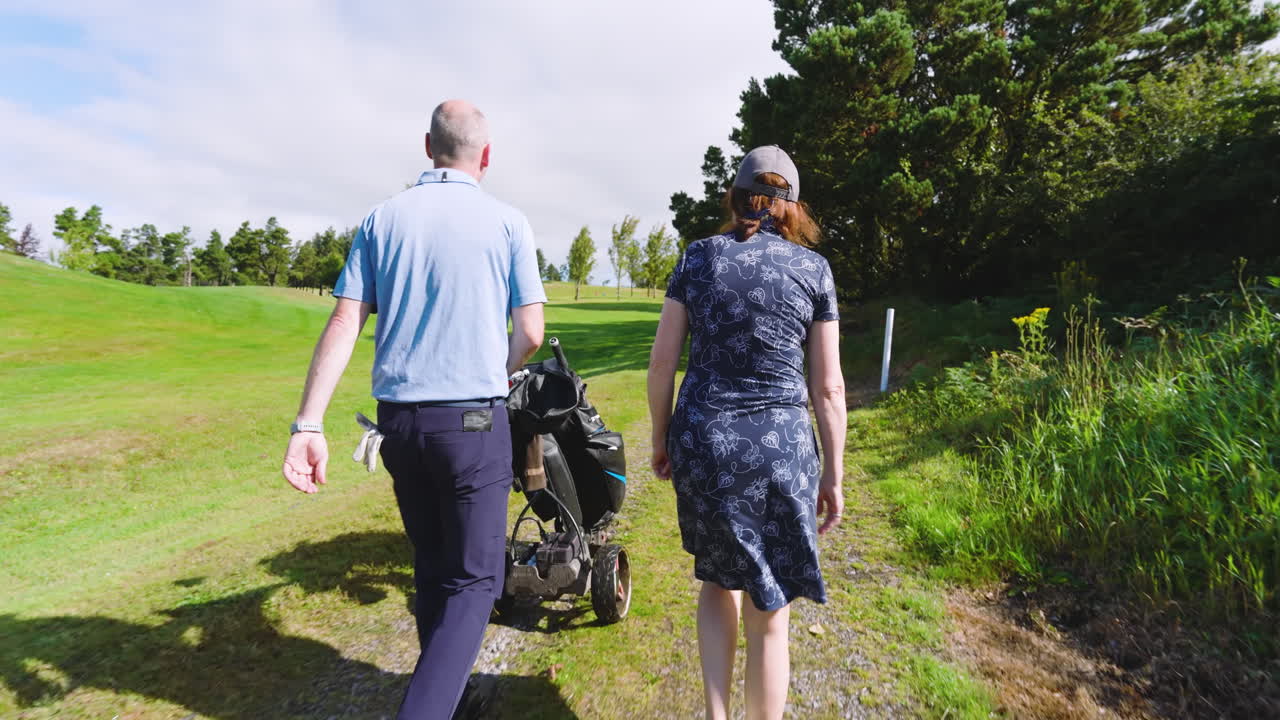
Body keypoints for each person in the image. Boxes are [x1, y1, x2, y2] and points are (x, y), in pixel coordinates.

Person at [280, 99, 546, 720]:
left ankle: (446, 701)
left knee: (433, 568)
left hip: (399, 425)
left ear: (428, 148)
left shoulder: (382, 219)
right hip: (473, 424)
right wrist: (496, 370)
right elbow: (530, 332)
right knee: (477, 580)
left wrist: (307, 425)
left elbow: (346, 319)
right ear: (486, 156)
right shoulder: (508, 222)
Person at [647, 145, 847, 720]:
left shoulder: (698, 258)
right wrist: (833, 473)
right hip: (783, 450)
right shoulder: (815, 270)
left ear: (733, 196)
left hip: (706, 441)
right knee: (772, 603)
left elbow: (663, 365)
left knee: (718, 580)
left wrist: (661, 438)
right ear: (793, 207)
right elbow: (829, 388)